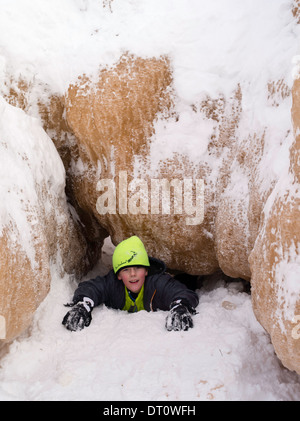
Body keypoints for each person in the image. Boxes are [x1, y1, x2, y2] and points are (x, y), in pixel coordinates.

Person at [62, 235, 199, 332]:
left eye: (138, 268)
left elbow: (181, 292)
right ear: (119, 275)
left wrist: (180, 307)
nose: (133, 274)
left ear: (146, 271)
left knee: (188, 281)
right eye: (126, 270)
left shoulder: (158, 283)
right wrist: (82, 306)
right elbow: (91, 287)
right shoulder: (113, 284)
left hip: (184, 280)